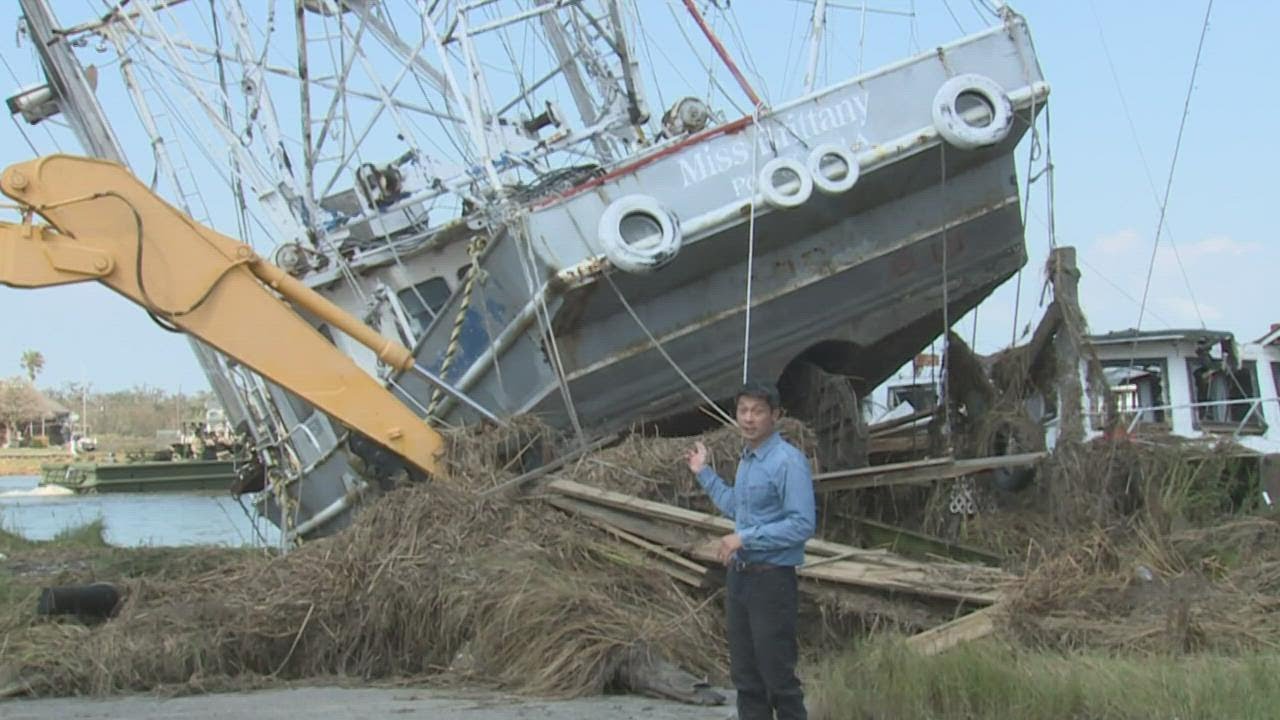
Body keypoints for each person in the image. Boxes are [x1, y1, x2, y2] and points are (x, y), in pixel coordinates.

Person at [685, 380, 815, 720]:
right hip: (740, 579)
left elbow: (802, 523)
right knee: (746, 678)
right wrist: (703, 473)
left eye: (757, 411)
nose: (748, 418)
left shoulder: (787, 462)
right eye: (743, 410)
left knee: (778, 678)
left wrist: (745, 538)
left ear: (776, 415)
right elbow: (737, 508)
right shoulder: (748, 460)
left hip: (772, 581)